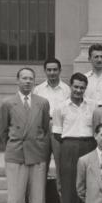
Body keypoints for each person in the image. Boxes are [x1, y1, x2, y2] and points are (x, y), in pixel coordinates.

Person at [0, 67, 51, 203]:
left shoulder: (42, 102)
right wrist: (12, 145)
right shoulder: (7, 103)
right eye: (24, 78)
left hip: (36, 152)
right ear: (17, 80)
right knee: (15, 194)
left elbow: (44, 127)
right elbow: (2, 130)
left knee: (38, 194)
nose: (28, 81)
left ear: (34, 81)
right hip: (16, 153)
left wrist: (39, 146)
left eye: (30, 78)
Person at [52, 72, 98, 203]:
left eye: (82, 88)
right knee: (69, 189)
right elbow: (57, 133)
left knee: (87, 189)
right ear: (70, 87)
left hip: (89, 146)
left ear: (86, 89)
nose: (78, 90)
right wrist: (70, 145)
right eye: (76, 87)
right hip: (69, 147)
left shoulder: (93, 106)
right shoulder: (60, 107)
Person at [33, 58, 70, 192]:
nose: (52, 72)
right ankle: (37, 196)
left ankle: (62, 195)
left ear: (60, 70)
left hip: (60, 127)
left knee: (61, 163)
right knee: (41, 163)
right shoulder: (38, 90)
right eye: (49, 70)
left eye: (55, 69)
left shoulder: (67, 90)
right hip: (43, 127)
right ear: (45, 71)